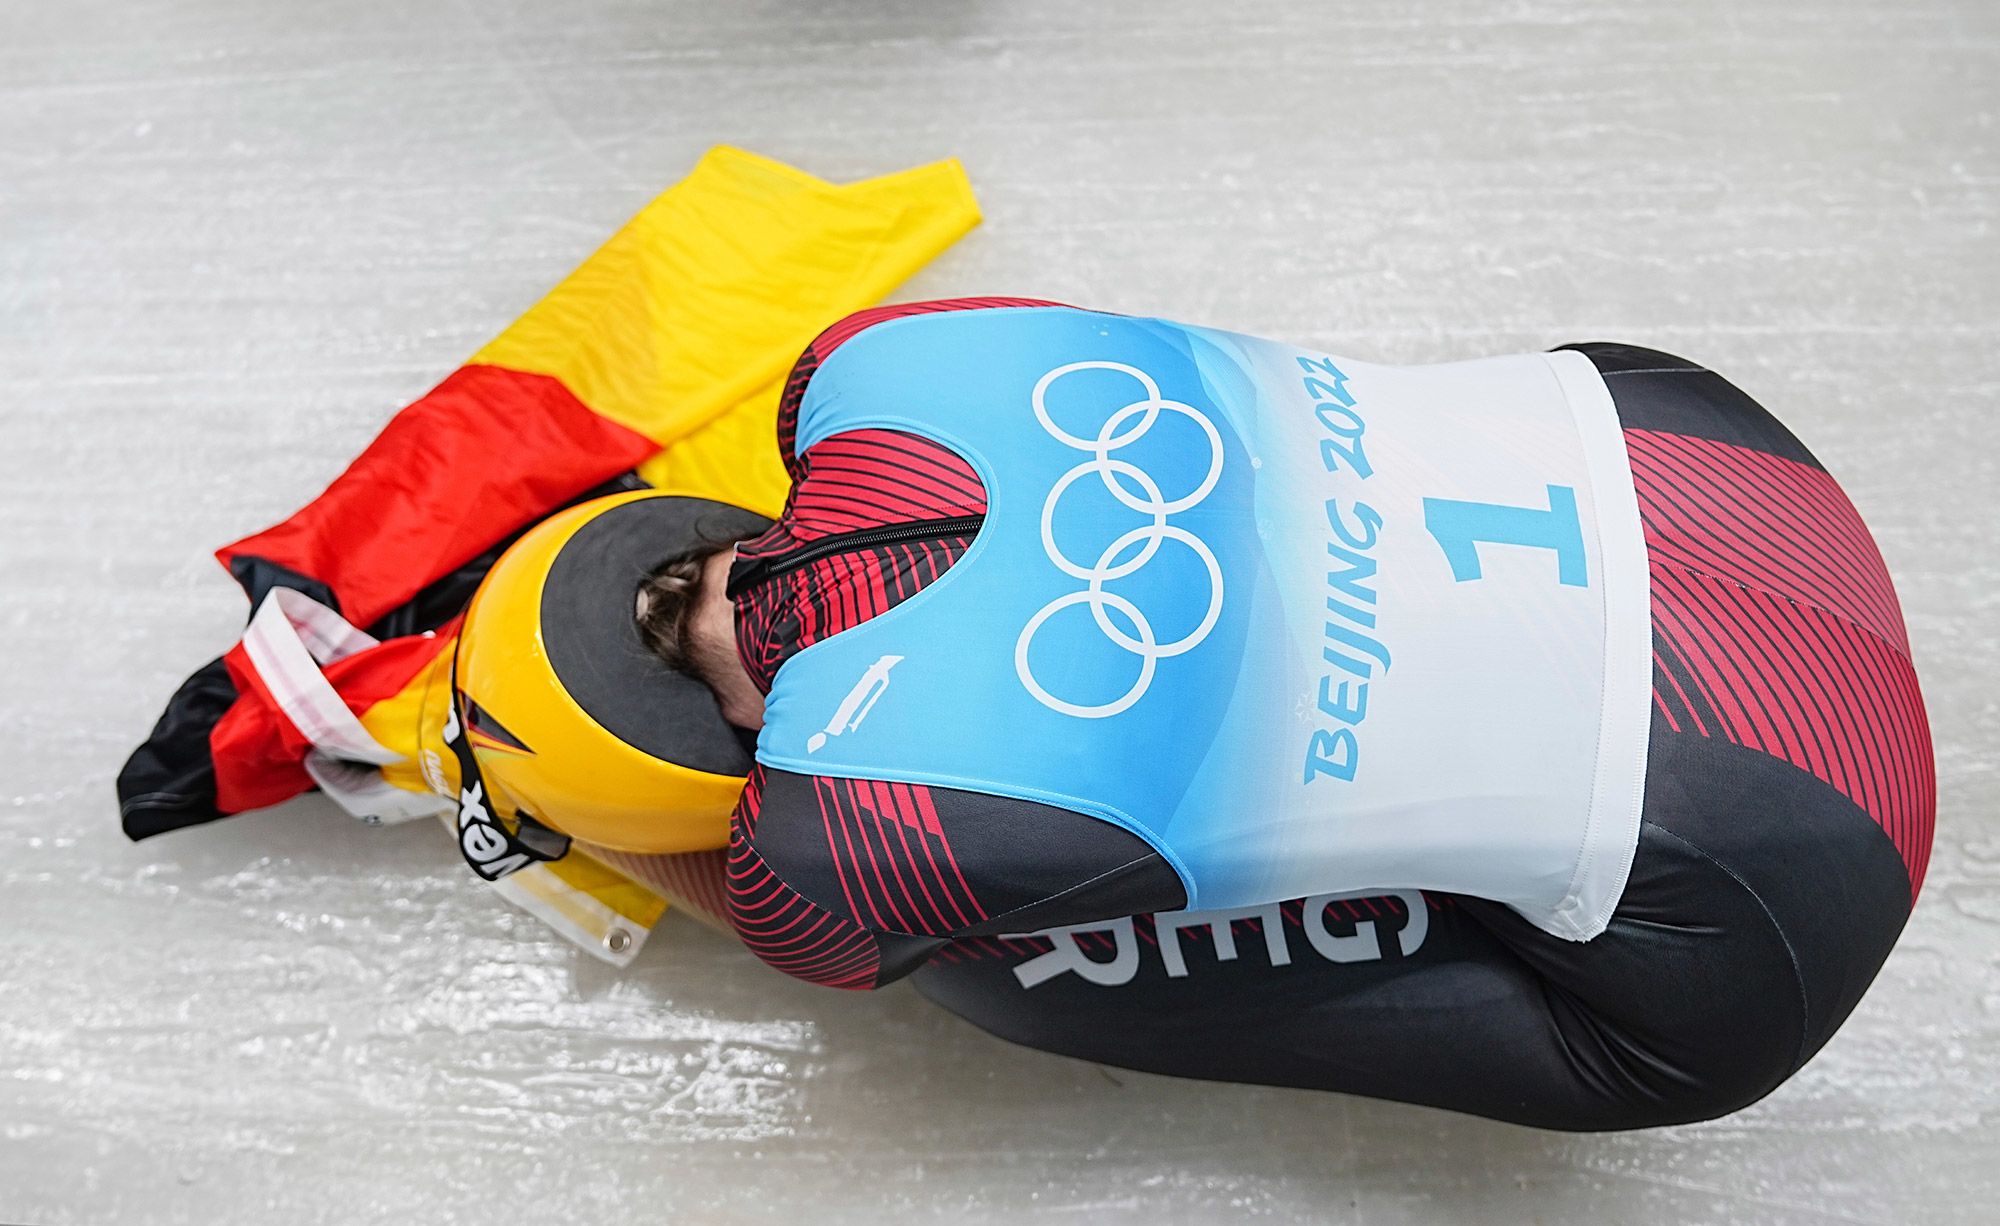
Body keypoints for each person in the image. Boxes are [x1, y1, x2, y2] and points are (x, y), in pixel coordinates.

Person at [621, 296, 1934, 1131]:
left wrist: (555, 811)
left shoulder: (838, 830)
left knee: (990, 968)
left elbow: (794, 931)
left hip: (1766, 891)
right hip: (1698, 454)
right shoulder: (868, 353)